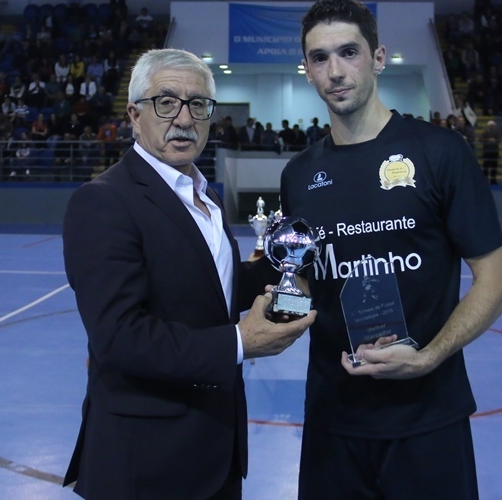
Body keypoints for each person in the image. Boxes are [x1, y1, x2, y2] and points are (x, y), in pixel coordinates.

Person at [280, 0, 502, 500]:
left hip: (428, 417)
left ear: (378, 58)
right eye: (320, 58)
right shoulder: (298, 175)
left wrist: (428, 358)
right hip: (333, 421)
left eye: (349, 52)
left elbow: (495, 280)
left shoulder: (439, 153)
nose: (335, 71)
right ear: (307, 70)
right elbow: (302, 282)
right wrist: (274, 317)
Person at [62, 47, 316, 500]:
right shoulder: (104, 201)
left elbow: (214, 286)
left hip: (216, 449)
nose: (184, 118)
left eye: (198, 104)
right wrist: (240, 342)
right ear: (134, 115)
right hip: (147, 463)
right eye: (166, 102)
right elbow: (119, 338)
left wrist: (290, 264)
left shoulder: (205, 196)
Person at [480, 120, 501, 184]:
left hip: (495, 151)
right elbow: (480, 139)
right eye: (491, 126)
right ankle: (485, 180)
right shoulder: (485, 131)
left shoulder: (497, 132)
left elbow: (499, 140)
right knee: (486, 166)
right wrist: (488, 140)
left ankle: (493, 180)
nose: (492, 127)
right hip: (487, 151)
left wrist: (495, 140)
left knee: (494, 166)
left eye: (493, 126)